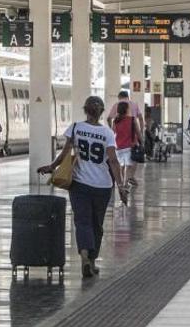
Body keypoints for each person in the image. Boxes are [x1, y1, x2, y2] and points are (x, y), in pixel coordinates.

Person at [38, 96, 127, 278]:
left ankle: (85, 257)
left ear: (85, 110)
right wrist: (121, 186)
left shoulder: (76, 128)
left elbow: (64, 154)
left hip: (79, 184)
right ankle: (92, 262)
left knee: (82, 222)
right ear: (101, 112)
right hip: (102, 186)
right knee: (97, 224)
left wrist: (51, 167)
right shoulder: (108, 133)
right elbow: (113, 161)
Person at [108, 91, 145, 186]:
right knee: (129, 165)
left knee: (122, 165)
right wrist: (142, 140)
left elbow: (112, 130)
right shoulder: (132, 119)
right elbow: (140, 120)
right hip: (130, 144)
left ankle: (122, 182)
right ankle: (126, 182)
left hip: (119, 146)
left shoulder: (115, 121)